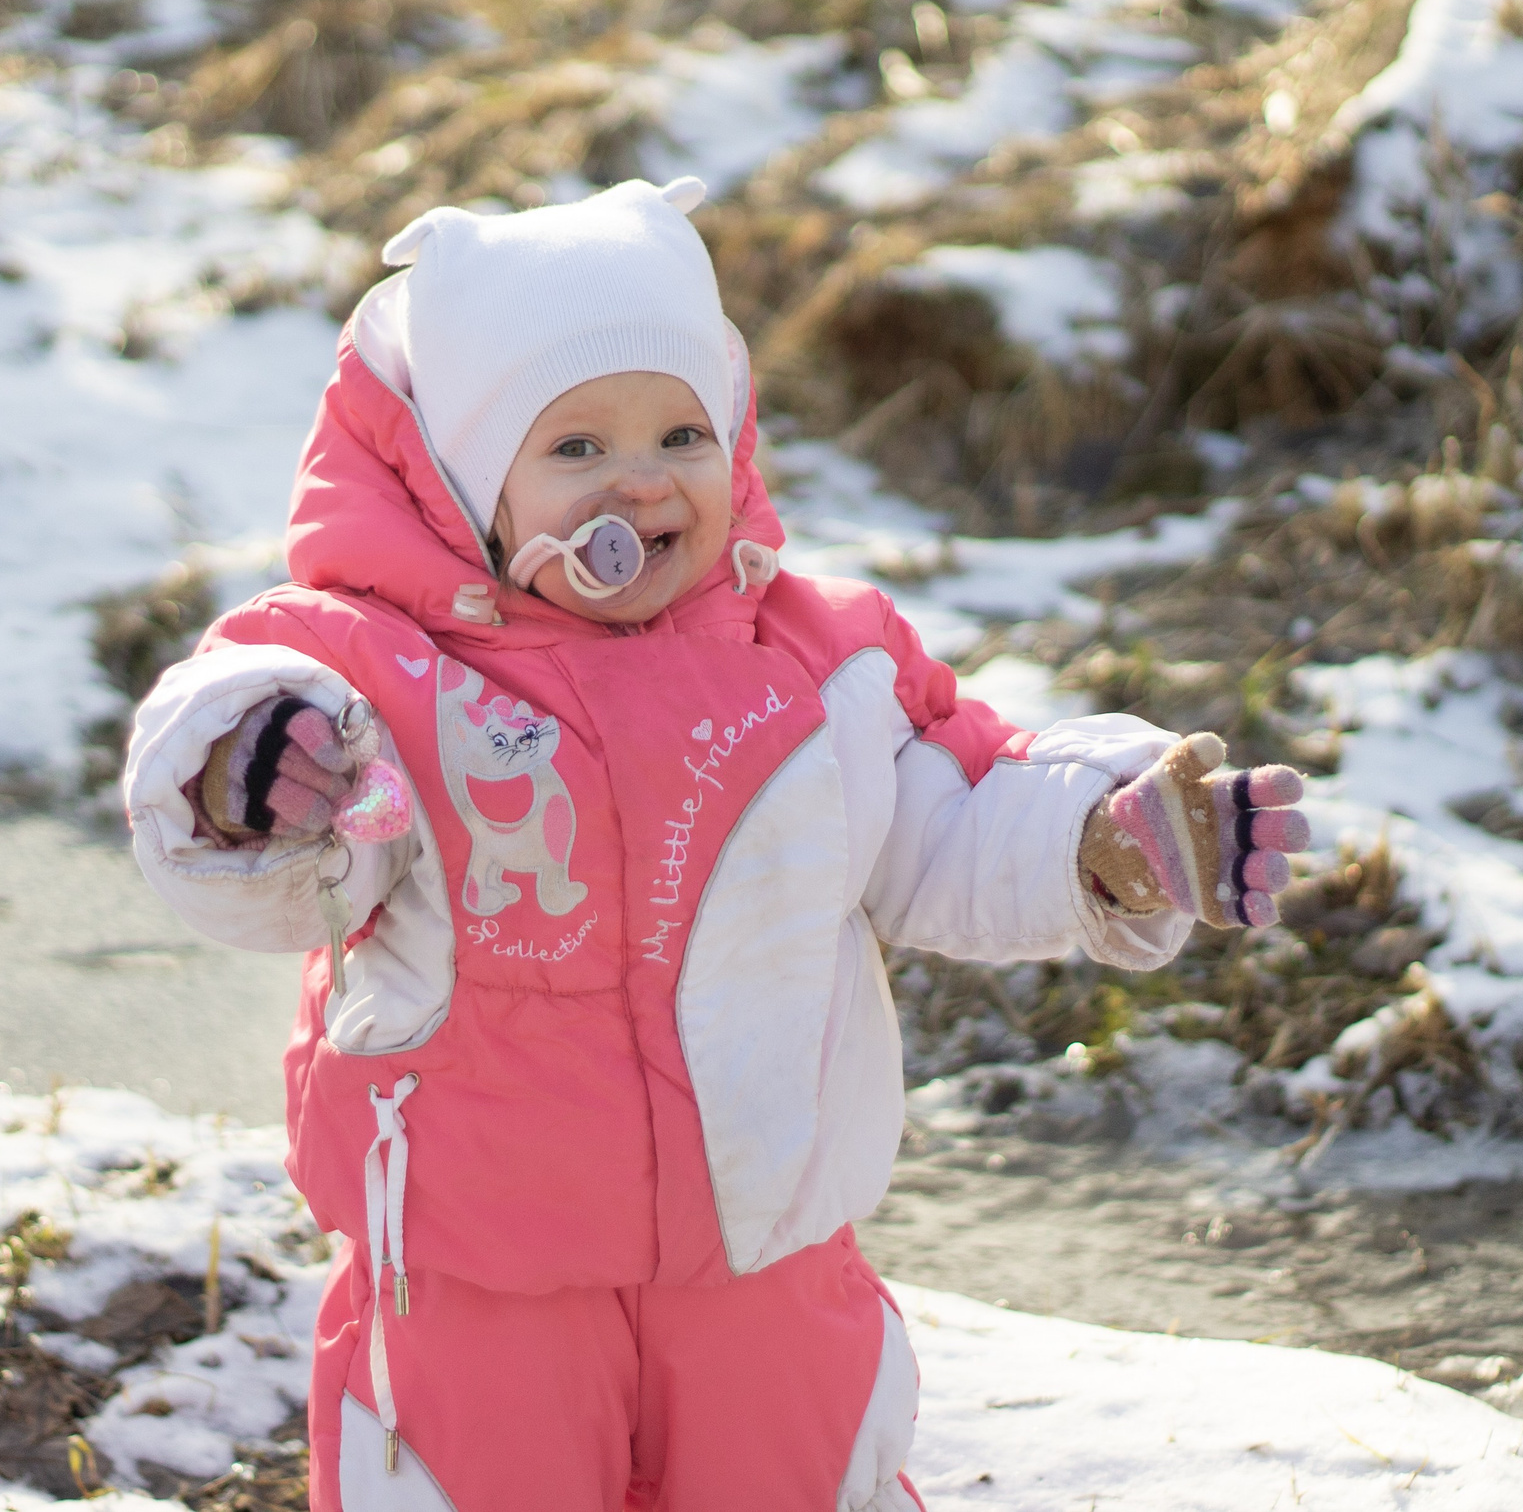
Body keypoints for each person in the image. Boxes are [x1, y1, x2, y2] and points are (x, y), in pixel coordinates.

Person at [124, 177, 1306, 1512]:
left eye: (681, 429)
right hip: (476, 1265)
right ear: (459, 485)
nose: (642, 476)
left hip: (764, 1256)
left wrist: (1104, 838)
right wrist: (253, 779)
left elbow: (944, 824)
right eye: (573, 446)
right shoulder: (378, 681)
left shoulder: (810, 666)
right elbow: (255, 842)